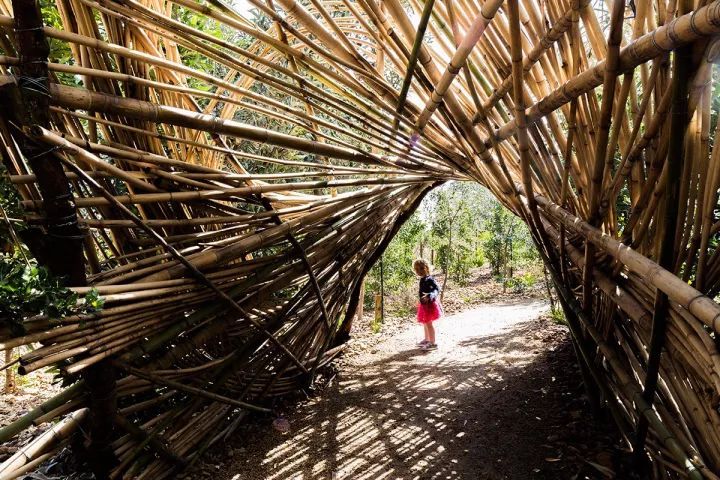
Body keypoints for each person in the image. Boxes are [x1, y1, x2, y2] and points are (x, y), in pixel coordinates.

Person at [413, 259, 442, 350]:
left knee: (428, 323)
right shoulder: (423, 279)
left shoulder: (430, 279)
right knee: (425, 322)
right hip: (424, 305)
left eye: (421, 268)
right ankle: (427, 339)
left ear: (427, 268)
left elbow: (436, 289)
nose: (419, 271)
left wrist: (430, 295)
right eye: (416, 269)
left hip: (430, 305)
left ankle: (433, 343)